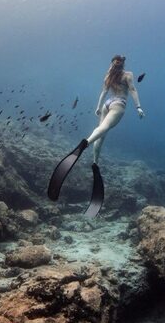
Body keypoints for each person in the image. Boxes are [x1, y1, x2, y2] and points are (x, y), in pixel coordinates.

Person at [47, 55, 144, 217]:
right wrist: (139, 107)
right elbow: (133, 90)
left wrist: (99, 107)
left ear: (112, 64)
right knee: (104, 129)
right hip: (119, 103)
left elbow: (103, 92)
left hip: (107, 104)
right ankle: (85, 144)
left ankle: (95, 162)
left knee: (101, 133)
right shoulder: (128, 75)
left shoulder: (108, 75)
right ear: (123, 64)